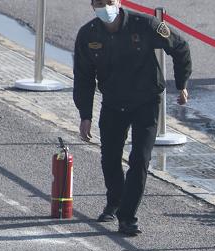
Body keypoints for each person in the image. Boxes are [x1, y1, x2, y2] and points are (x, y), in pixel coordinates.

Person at [73, 0, 192, 236]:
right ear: (92, 6)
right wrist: (84, 114)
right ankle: (115, 202)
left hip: (146, 103)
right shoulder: (88, 34)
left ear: (118, 2)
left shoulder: (146, 25)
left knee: (139, 159)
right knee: (109, 157)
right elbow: (83, 76)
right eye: (99, 3)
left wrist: (182, 84)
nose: (105, 6)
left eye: (109, 1)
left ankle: (127, 217)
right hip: (113, 103)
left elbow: (179, 46)